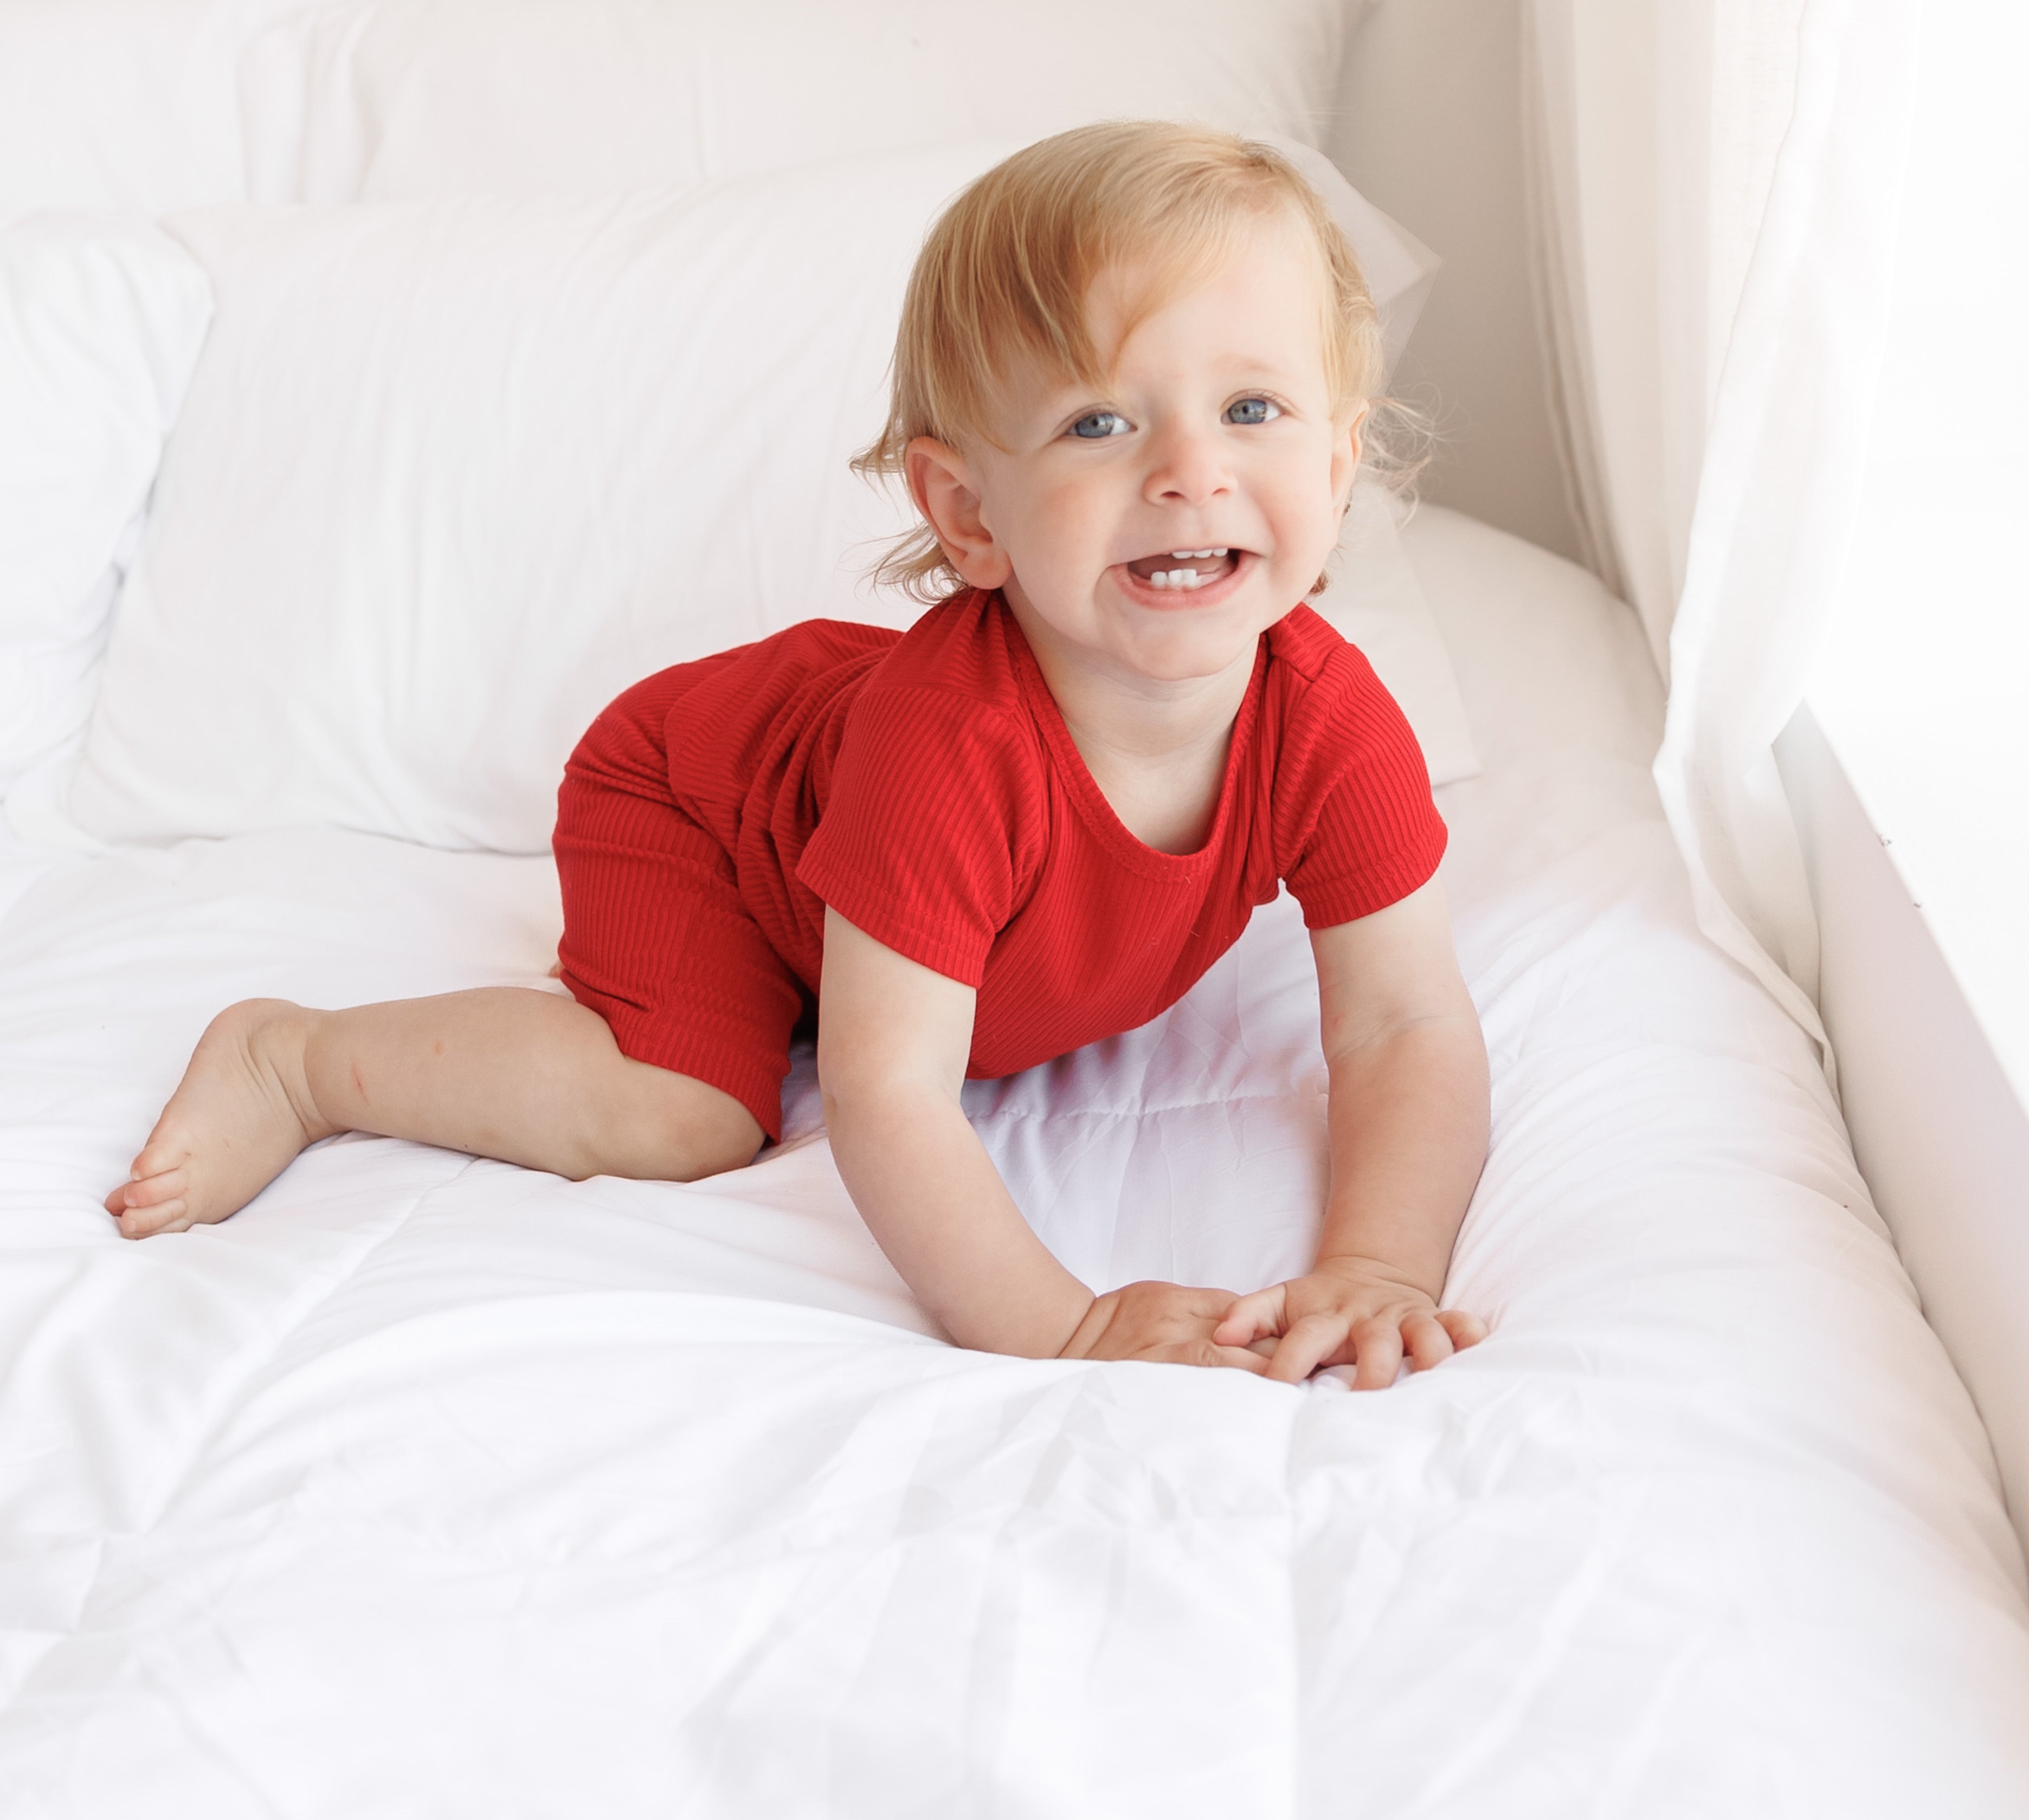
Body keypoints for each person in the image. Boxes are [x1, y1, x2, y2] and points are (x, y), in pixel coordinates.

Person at [105, 122, 1492, 1389]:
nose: (1189, 470)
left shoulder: (1328, 716)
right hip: (697, 805)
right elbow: (890, 1089)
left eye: (1250, 409)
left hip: (836, 813)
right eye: (1097, 422)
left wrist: (1376, 1267)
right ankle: (296, 1058)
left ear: (1337, 465)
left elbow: (1402, 1023)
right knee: (684, 1115)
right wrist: (1061, 1324)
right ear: (968, 512)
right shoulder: (953, 745)